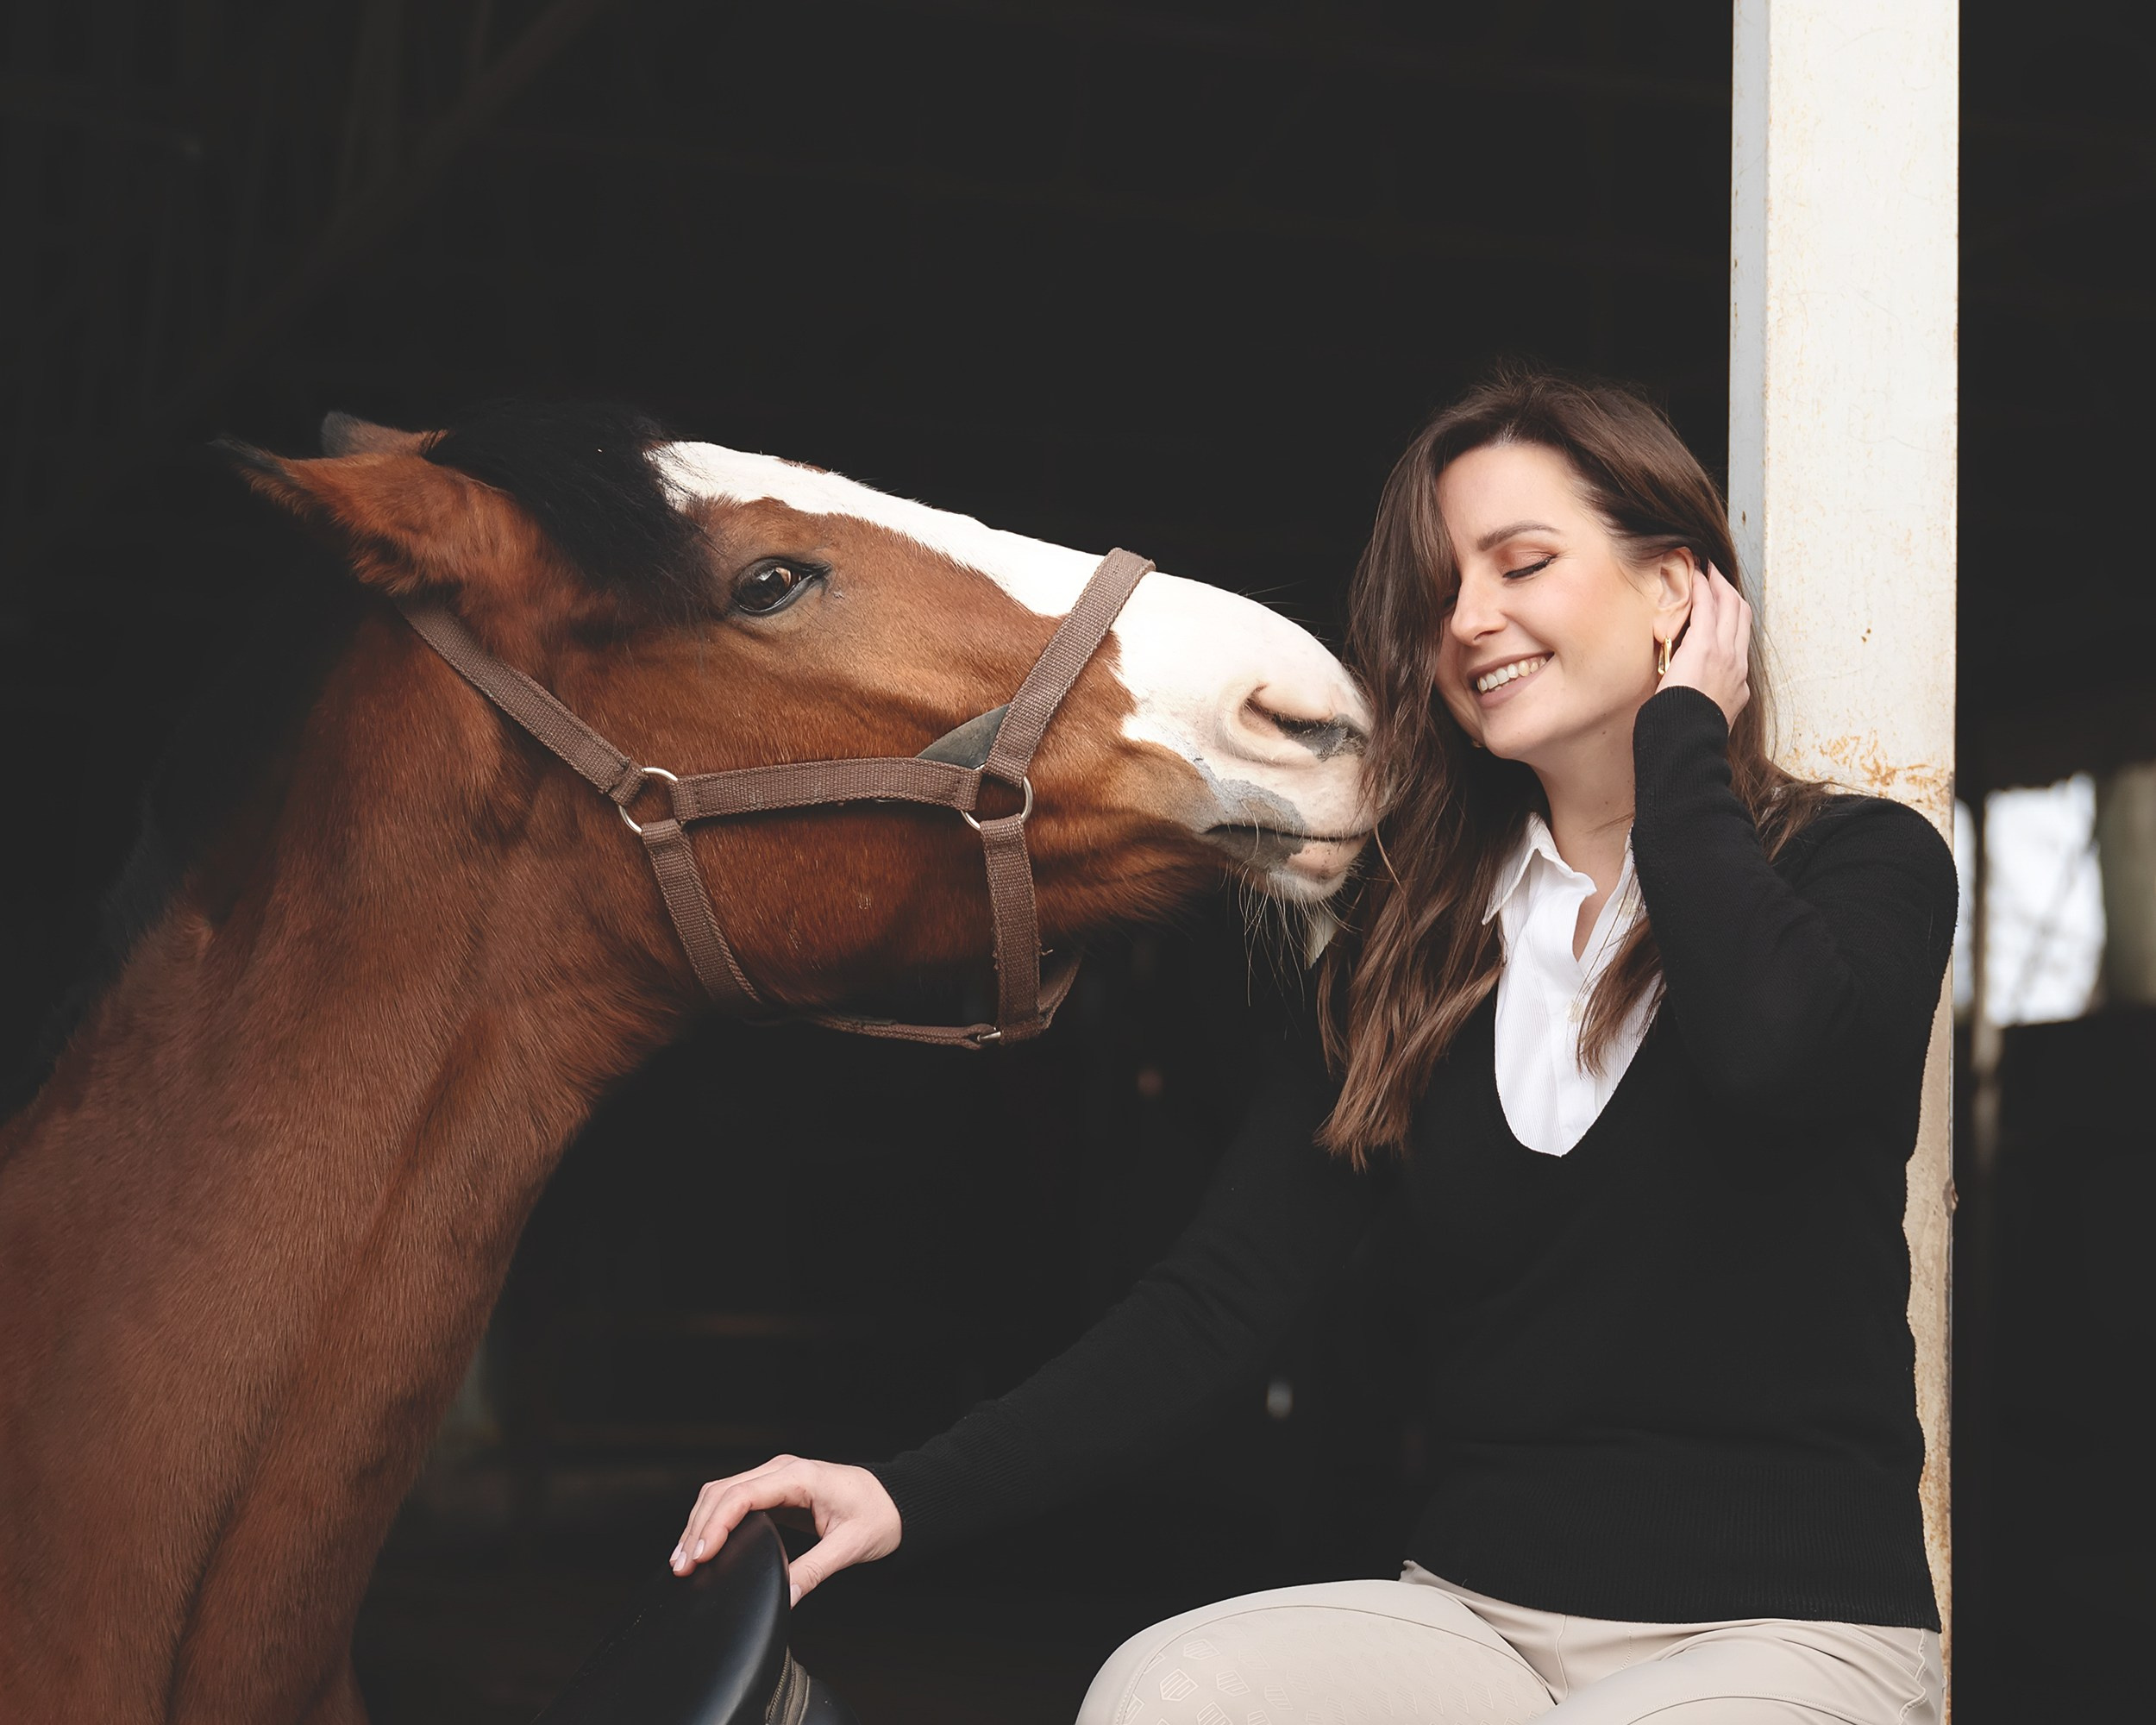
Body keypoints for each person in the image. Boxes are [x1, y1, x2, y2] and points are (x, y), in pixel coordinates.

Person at [665, 367, 1956, 1723]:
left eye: (1522, 563)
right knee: (1166, 1692)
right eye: (1443, 591)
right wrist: (904, 1492)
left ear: (1676, 589)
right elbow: (1216, 1304)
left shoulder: (1860, 867)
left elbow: (1776, 1056)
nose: (1469, 622)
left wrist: (1684, 733)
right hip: (1482, 1624)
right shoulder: (1413, 948)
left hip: (1781, 1640)